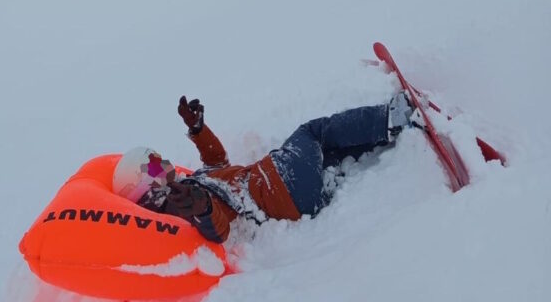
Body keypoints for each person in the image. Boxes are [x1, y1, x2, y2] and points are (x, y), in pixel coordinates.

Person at [112, 93, 418, 243]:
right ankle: (391, 117)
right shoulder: (181, 205)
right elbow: (217, 230)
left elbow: (217, 163)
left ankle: (390, 133)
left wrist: (198, 130)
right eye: (154, 166)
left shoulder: (187, 187)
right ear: (146, 190)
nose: (164, 165)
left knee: (332, 152)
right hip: (279, 181)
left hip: (293, 199)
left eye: (158, 158)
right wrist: (203, 208)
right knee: (314, 133)